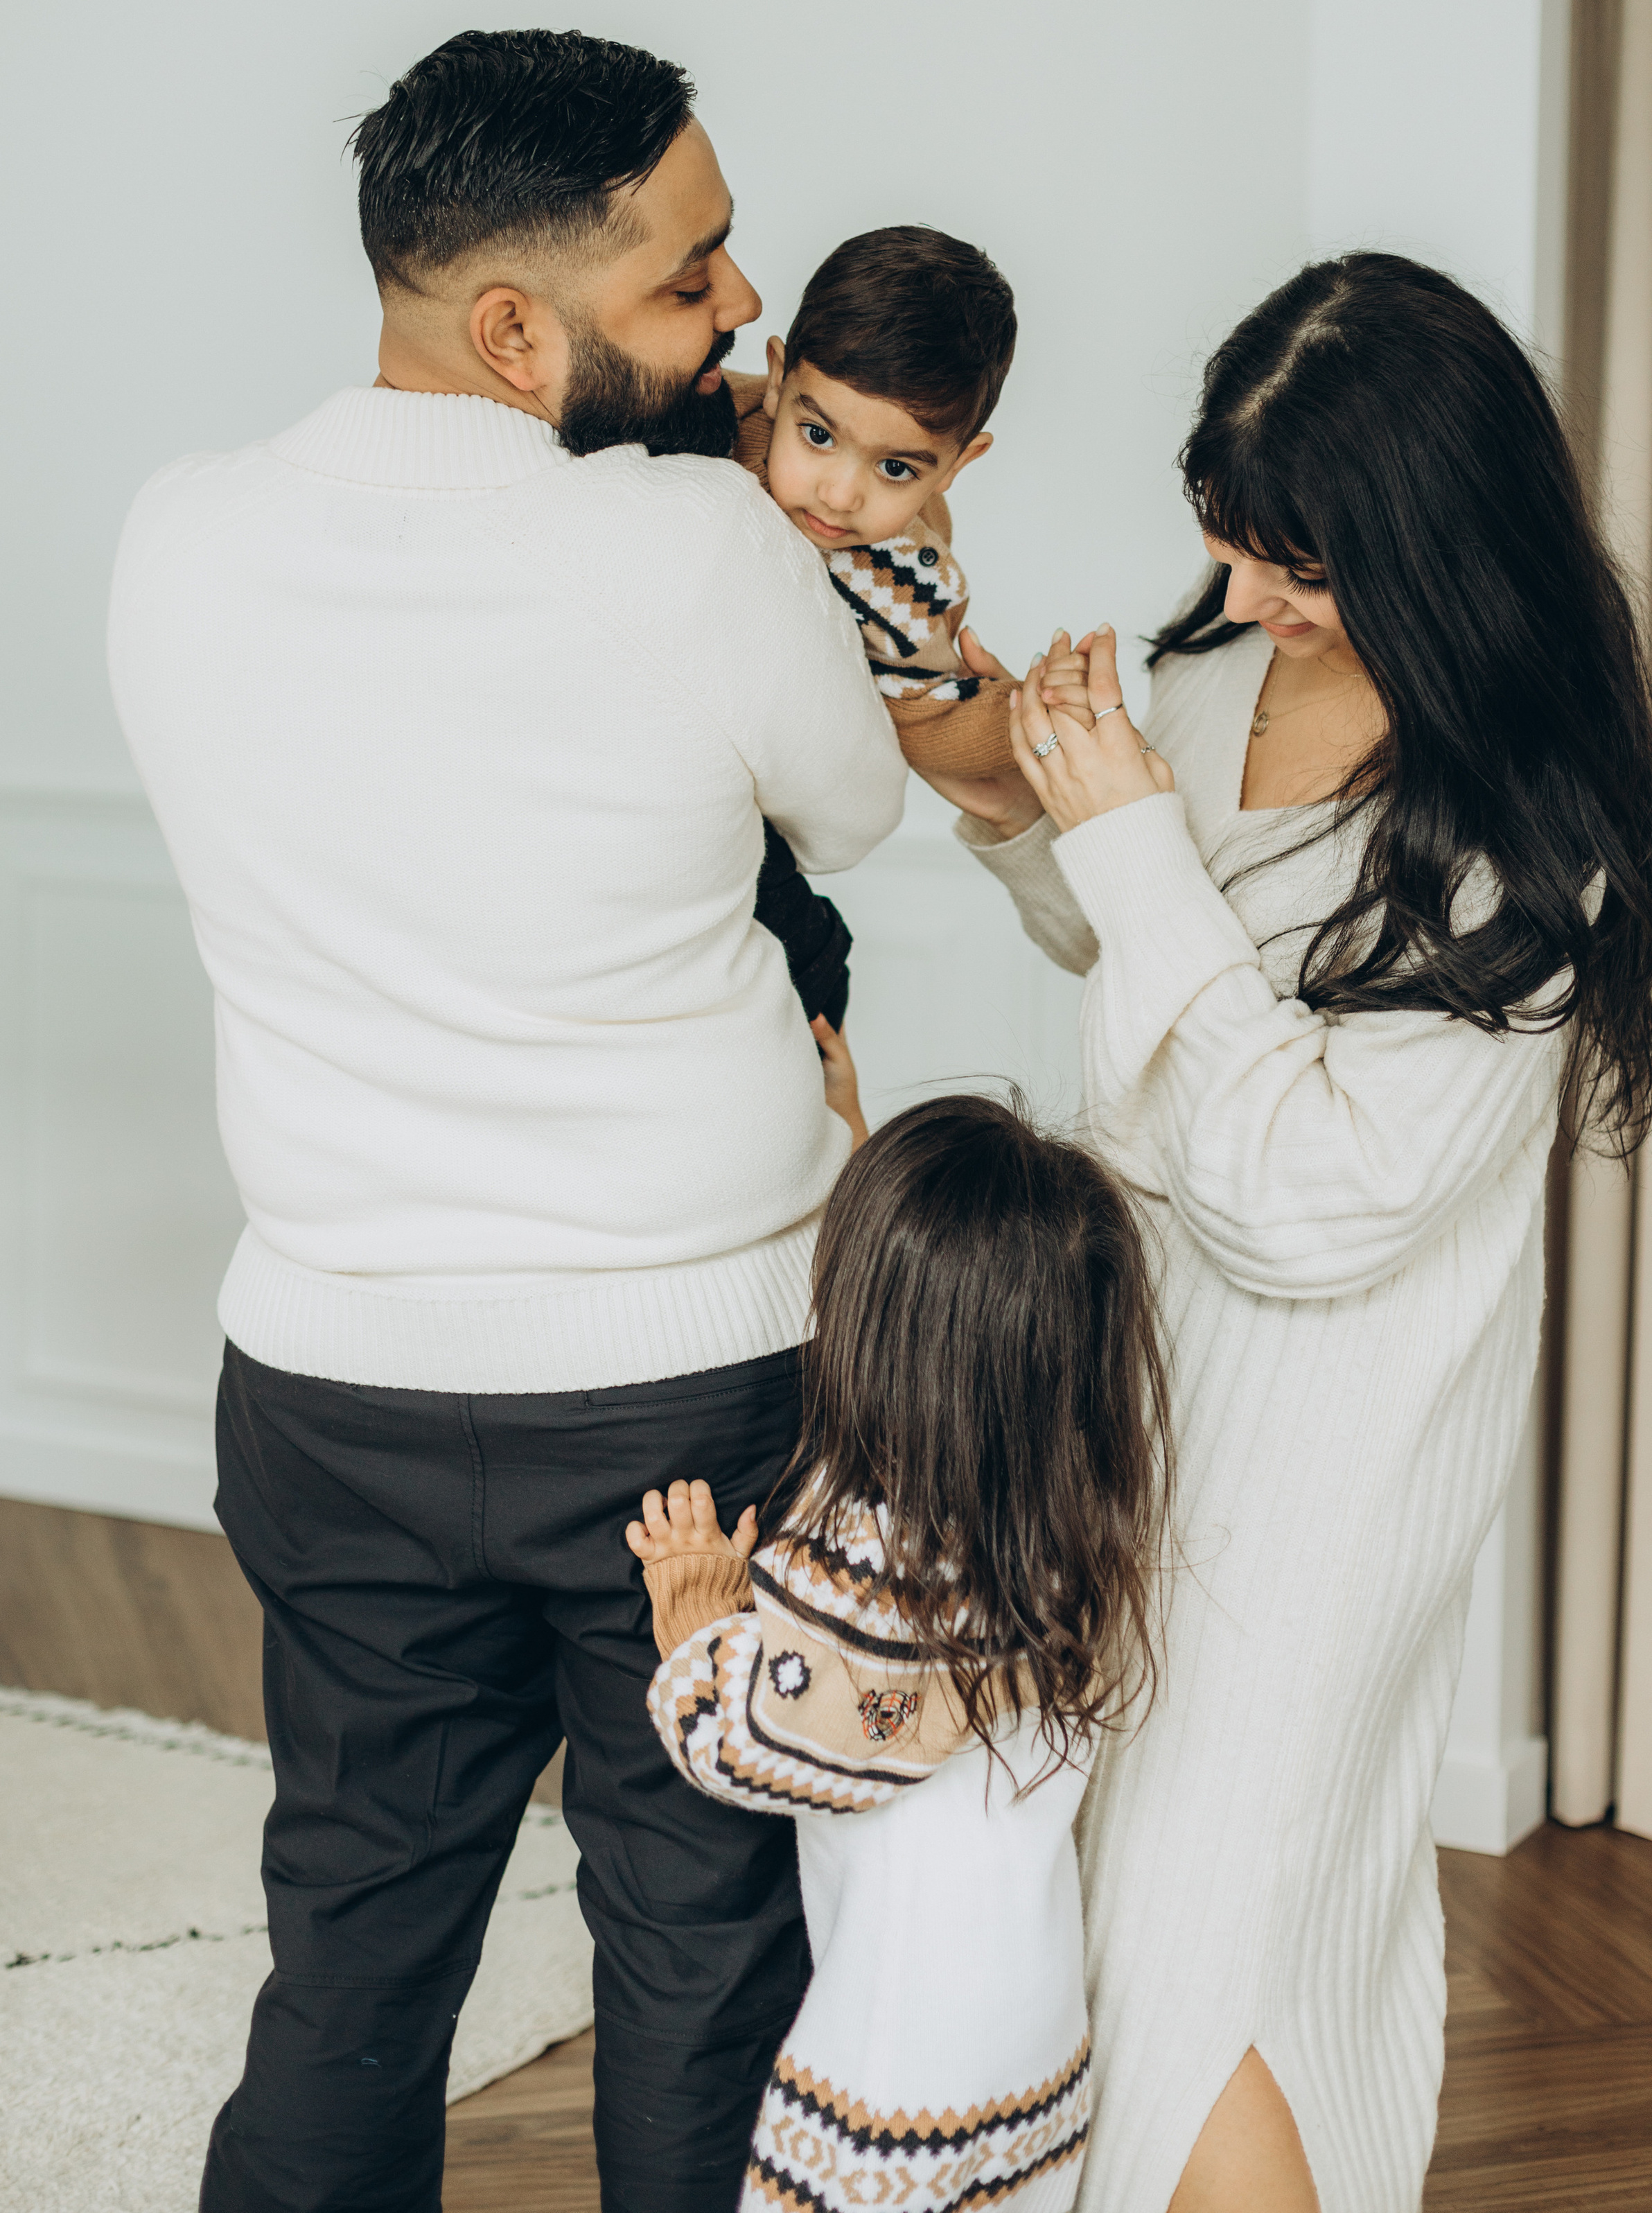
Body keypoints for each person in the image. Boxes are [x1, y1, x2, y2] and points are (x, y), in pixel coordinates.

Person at [106, 27, 906, 2213]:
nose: (746, 306)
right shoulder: (690, 546)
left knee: (352, 1945)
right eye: (693, 272)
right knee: (697, 1943)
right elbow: (852, 810)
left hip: (334, 1379)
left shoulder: (180, 536)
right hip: (691, 1383)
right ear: (508, 326)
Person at [927, 250, 1652, 2213]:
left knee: (1214, 1931)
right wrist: (1008, 779)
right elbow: (1126, 941)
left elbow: (1307, 1204)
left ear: (1431, 543)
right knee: (1096, 1906)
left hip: (1326, 1450)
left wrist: (1127, 837)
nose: (1246, 600)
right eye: (1229, 547)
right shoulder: (1229, 665)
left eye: (1296, 567)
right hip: (1123, 1394)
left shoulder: (1531, 828)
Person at [628, 1093, 1171, 2213]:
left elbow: (760, 1743)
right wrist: (846, 1130)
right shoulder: (1061, 1519)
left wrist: (698, 1624)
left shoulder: (878, 1567)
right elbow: (958, 1298)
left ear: (876, 1329)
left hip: (893, 2078)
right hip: (1030, 2044)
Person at [734, 225, 1018, 1030]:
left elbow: (929, 708)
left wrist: (1011, 720)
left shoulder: (909, 582)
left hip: (777, 828)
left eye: (896, 468)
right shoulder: (715, 431)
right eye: (817, 435)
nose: (838, 494)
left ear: (961, 462)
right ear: (778, 379)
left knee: (820, 980)